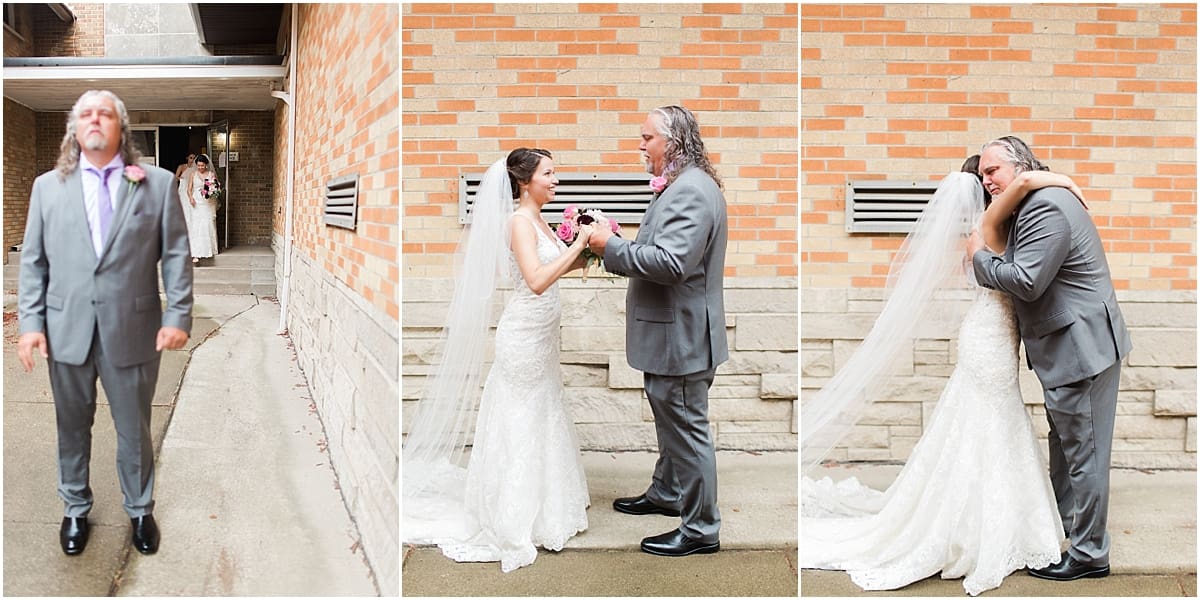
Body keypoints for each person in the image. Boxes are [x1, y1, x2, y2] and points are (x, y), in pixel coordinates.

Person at [800, 155, 1093, 595]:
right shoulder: (991, 222)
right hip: (989, 337)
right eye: (986, 178)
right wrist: (1066, 179)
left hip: (992, 332)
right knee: (990, 422)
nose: (993, 184)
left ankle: (987, 516)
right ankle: (981, 526)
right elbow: (1027, 181)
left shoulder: (992, 226)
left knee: (987, 423)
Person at [17, 90, 193, 557]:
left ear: (121, 127)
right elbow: (33, 261)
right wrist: (31, 323)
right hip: (65, 329)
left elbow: (175, 254)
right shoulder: (46, 187)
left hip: (132, 329)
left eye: (105, 113)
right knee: (71, 425)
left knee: (133, 426)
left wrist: (178, 314)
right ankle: (75, 507)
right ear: (76, 129)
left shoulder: (154, 184)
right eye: (86, 114)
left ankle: (140, 509)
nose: (95, 120)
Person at [403, 148, 592, 572]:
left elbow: (556, 266)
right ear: (525, 181)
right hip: (523, 337)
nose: (556, 180)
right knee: (520, 418)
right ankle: (512, 516)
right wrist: (578, 242)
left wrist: (591, 248)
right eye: (549, 173)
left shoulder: (540, 219)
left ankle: (548, 507)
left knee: (544, 410)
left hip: (543, 338)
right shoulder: (519, 223)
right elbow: (538, 280)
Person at [969, 136, 1132, 582]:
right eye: (982, 176)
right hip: (1068, 347)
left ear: (1020, 168)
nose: (986, 181)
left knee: (1085, 455)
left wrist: (978, 259)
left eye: (992, 171)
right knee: (1067, 451)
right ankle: (1063, 534)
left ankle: (1090, 555)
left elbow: (1026, 280)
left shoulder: (1046, 206)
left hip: (1081, 349)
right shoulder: (1033, 200)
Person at [587, 105, 728, 558]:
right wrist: (622, 241)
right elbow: (664, 248)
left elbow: (671, 264)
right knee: (673, 423)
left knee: (687, 430)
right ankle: (668, 493)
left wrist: (610, 246)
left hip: (681, 337)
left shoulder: (690, 190)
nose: (640, 145)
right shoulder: (682, 186)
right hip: (673, 334)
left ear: (673, 141)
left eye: (646, 137)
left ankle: (701, 529)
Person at [187, 154, 219, 262]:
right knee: (196, 225)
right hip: (196, 202)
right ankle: (195, 253)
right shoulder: (193, 174)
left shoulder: (210, 174)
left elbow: (215, 187)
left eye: (202, 166)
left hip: (207, 202)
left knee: (207, 223)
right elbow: (189, 189)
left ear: (206, 165)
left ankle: (208, 250)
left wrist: (212, 192)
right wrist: (191, 198)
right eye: (199, 165)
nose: (200, 168)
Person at [175, 152, 196, 232]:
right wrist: (181, 179)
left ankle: (190, 227)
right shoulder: (181, 166)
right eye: (191, 158)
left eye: (194, 158)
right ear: (187, 158)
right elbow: (176, 177)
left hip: (191, 189)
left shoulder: (196, 168)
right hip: (182, 189)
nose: (192, 160)